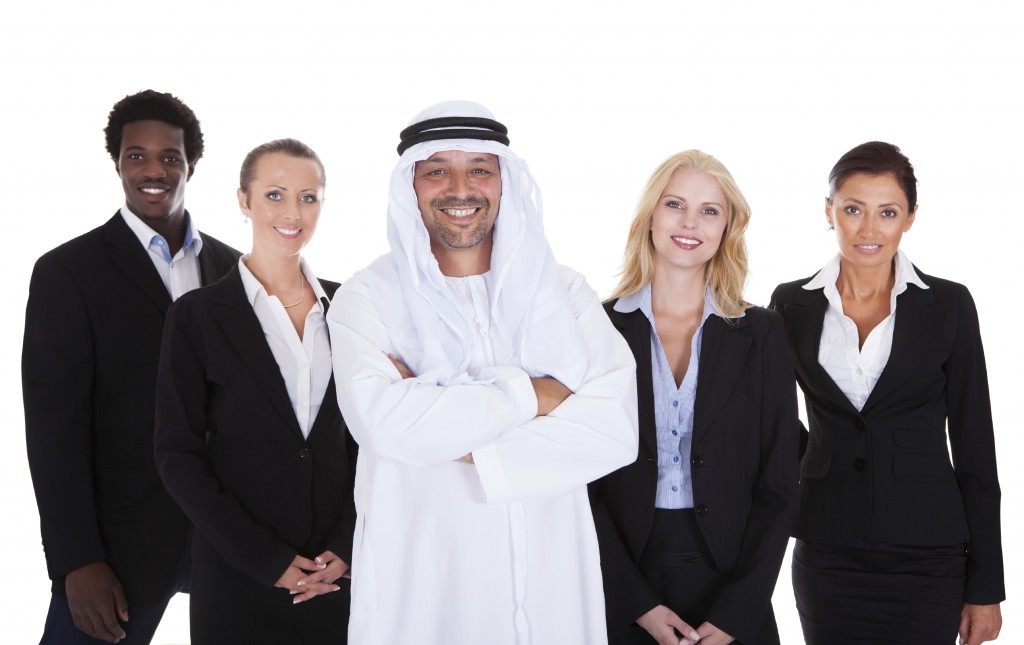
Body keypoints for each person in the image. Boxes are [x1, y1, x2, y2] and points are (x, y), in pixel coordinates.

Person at [326, 100, 639, 644]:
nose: (460, 188)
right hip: (426, 597)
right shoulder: (366, 298)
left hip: (552, 593)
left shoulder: (564, 293)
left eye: (479, 170)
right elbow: (383, 427)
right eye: (437, 171)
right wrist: (532, 396)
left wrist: (439, 417)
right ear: (411, 186)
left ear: (503, 182)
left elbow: (615, 432)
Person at [22, 90, 240, 644]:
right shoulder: (68, 272)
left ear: (191, 164)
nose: (153, 170)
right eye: (135, 155)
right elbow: (54, 433)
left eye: (169, 157)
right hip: (120, 547)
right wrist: (76, 561)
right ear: (117, 163)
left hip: (227, 535)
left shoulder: (235, 270)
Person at [770, 141, 1004, 645]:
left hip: (929, 555)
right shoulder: (791, 303)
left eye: (888, 212)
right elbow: (770, 416)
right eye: (853, 209)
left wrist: (986, 586)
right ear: (828, 211)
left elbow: (975, 447)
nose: (869, 229)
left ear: (911, 218)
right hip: (829, 553)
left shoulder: (949, 304)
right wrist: (814, 462)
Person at [589, 151, 799, 645]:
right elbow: (581, 484)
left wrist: (738, 611)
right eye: (675, 204)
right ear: (650, 217)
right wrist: (636, 604)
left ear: (728, 227)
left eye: (710, 211)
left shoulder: (763, 331)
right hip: (624, 585)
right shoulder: (597, 327)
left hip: (732, 584)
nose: (690, 223)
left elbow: (780, 485)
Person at [153, 139, 356, 644]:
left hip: (335, 576)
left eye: (309, 197)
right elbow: (177, 454)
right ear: (244, 201)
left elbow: (371, 440)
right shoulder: (197, 316)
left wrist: (349, 543)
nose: (293, 212)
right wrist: (265, 559)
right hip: (237, 576)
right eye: (275, 195)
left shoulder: (353, 308)